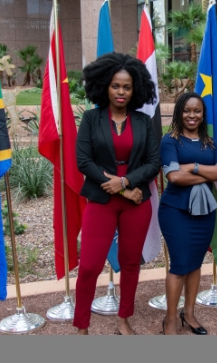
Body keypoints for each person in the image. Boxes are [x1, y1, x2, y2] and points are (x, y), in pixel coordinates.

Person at [74, 52, 160, 335]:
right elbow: (84, 161)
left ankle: (124, 319)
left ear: (135, 89)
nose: (121, 91)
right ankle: (82, 326)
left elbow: (153, 163)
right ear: (104, 86)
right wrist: (121, 188)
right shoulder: (90, 118)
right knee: (88, 266)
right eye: (115, 85)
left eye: (126, 86)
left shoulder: (143, 122)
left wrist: (125, 183)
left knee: (131, 263)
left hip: (137, 203)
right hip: (102, 200)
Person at [159, 92, 217, 335]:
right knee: (180, 265)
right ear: (180, 112)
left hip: (204, 213)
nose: (192, 115)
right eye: (187, 110)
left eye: (197, 111)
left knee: (195, 263)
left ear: (203, 114)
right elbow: (174, 177)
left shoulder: (211, 144)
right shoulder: (170, 141)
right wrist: (207, 172)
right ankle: (170, 320)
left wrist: (194, 167)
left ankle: (188, 314)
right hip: (175, 211)